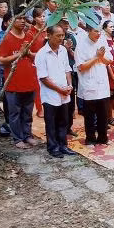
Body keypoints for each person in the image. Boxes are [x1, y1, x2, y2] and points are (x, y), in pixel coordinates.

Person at [36, 25, 78, 158]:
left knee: (63, 121)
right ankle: (53, 147)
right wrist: (60, 89)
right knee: (51, 122)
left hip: (64, 92)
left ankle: (63, 145)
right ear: (49, 35)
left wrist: (69, 85)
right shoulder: (42, 54)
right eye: (58, 36)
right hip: (50, 94)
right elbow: (44, 78)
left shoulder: (63, 50)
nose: (61, 38)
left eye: (62, 35)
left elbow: (67, 69)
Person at [0, 14, 39, 149]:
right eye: (19, 18)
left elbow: (36, 55)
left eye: (24, 19)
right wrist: (19, 54)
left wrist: (29, 54)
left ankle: (27, 135)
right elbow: (1, 60)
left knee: (27, 111)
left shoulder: (29, 36)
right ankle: (18, 138)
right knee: (15, 113)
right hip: (13, 83)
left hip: (30, 80)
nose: (22, 21)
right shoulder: (6, 38)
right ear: (11, 20)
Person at [76, 16, 114, 145]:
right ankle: (90, 139)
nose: (98, 34)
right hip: (89, 84)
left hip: (102, 83)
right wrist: (96, 57)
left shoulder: (102, 41)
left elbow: (109, 61)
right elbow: (81, 67)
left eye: (100, 31)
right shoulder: (81, 45)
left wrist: (101, 57)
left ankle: (103, 138)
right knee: (90, 115)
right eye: (95, 31)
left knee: (103, 114)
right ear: (88, 31)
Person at [58, 18, 79, 135]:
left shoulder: (71, 37)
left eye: (67, 23)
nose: (66, 26)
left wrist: (69, 49)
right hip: (57, 72)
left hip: (70, 71)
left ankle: (68, 127)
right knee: (59, 101)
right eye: (63, 23)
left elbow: (76, 56)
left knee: (70, 101)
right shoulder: (53, 37)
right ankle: (58, 127)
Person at [26, 7, 48, 118]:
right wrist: (40, 55)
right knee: (38, 87)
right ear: (34, 18)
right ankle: (40, 108)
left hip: (49, 62)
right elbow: (28, 52)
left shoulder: (48, 30)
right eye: (40, 17)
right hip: (35, 63)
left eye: (44, 16)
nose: (42, 18)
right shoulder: (30, 32)